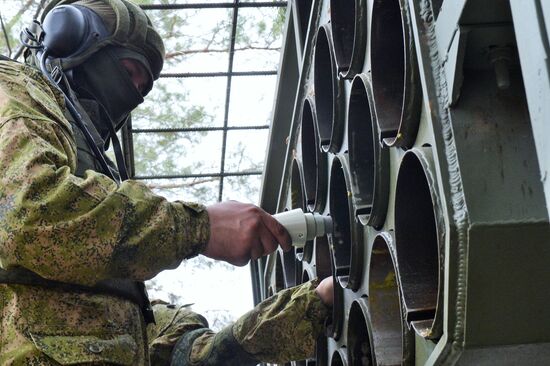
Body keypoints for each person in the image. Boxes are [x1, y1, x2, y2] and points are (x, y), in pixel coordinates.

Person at [0, 0, 333, 365]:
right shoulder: (13, 90)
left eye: (144, 86)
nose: (138, 90)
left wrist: (313, 304)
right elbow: (30, 215)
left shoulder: (106, 297)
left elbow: (194, 354)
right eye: (130, 70)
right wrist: (199, 227)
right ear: (70, 36)